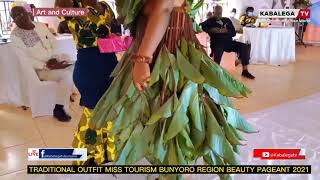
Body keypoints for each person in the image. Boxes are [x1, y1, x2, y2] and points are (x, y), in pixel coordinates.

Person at [74, 0, 256, 179]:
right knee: (161, 118)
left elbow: (163, 7)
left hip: (166, 50)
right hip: (155, 48)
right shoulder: (77, 6)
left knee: (172, 116)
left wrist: (142, 58)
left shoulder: (101, 7)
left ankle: (175, 174)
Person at [55, 0, 118, 165]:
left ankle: (107, 152)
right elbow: (57, 9)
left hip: (111, 68)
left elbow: (116, 35)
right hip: (89, 70)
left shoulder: (105, 6)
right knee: (93, 114)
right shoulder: (75, 7)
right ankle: (87, 156)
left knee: (109, 111)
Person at [10, 5, 73, 122]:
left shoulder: (40, 26)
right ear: (13, 20)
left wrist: (54, 58)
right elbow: (25, 60)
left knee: (74, 63)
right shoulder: (15, 36)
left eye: (22, 13)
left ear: (28, 13)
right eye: (16, 16)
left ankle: (79, 94)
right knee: (66, 75)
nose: (20, 17)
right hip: (40, 69)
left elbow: (53, 42)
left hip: (54, 60)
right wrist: (46, 65)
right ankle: (58, 108)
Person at [201, 6, 255, 79]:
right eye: (216, 13)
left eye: (220, 13)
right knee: (218, 50)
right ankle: (216, 73)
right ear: (213, 13)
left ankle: (245, 71)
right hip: (217, 43)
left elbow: (233, 33)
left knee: (244, 47)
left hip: (229, 43)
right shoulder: (210, 21)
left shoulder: (226, 20)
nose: (218, 15)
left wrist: (226, 31)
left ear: (222, 13)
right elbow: (203, 26)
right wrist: (213, 30)